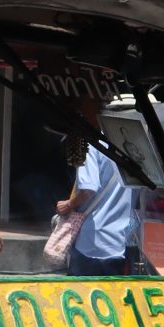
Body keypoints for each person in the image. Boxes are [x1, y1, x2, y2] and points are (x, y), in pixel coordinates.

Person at [56, 97, 138, 273]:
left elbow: (89, 189)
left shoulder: (92, 146)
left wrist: (68, 204)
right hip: (118, 240)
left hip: (92, 240)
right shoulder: (133, 151)